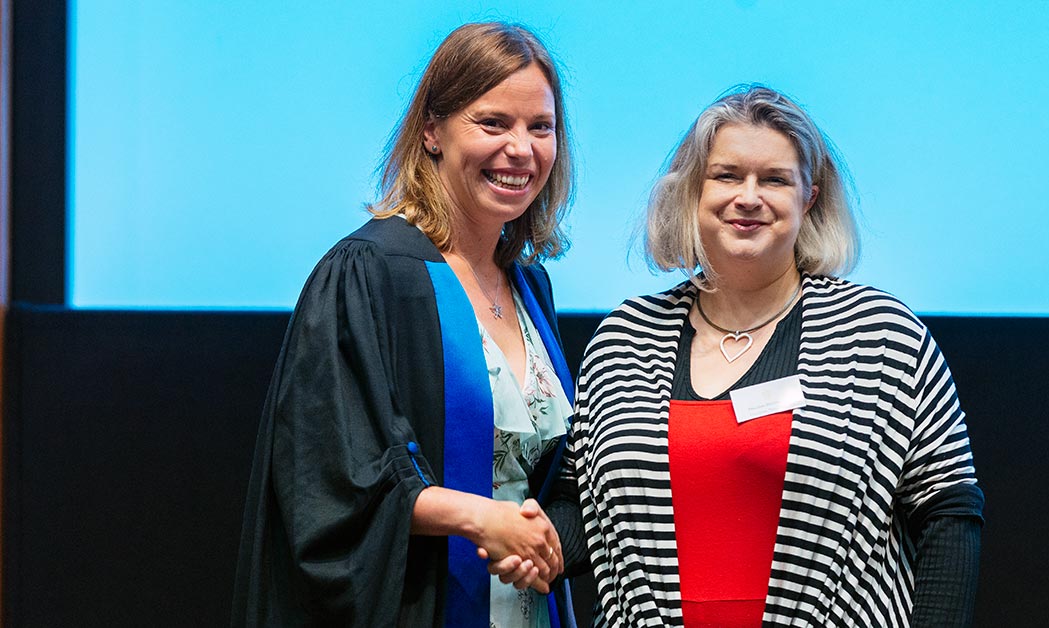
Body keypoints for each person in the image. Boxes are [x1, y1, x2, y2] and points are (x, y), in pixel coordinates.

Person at [569, 86, 984, 627]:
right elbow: (580, 509)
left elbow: (948, 511)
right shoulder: (623, 341)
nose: (748, 197)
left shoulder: (881, 336)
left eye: (774, 179)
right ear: (693, 189)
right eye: (726, 175)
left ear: (808, 197)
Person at [233, 22, 586, 627]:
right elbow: (329, 477)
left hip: (526, 606)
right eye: (493, 123)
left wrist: (545, 535)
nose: (522, 150)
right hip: (420, 606)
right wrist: (478, 518)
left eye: (540, 127)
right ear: (432, 131)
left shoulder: (530, 286)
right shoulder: (369, 274)